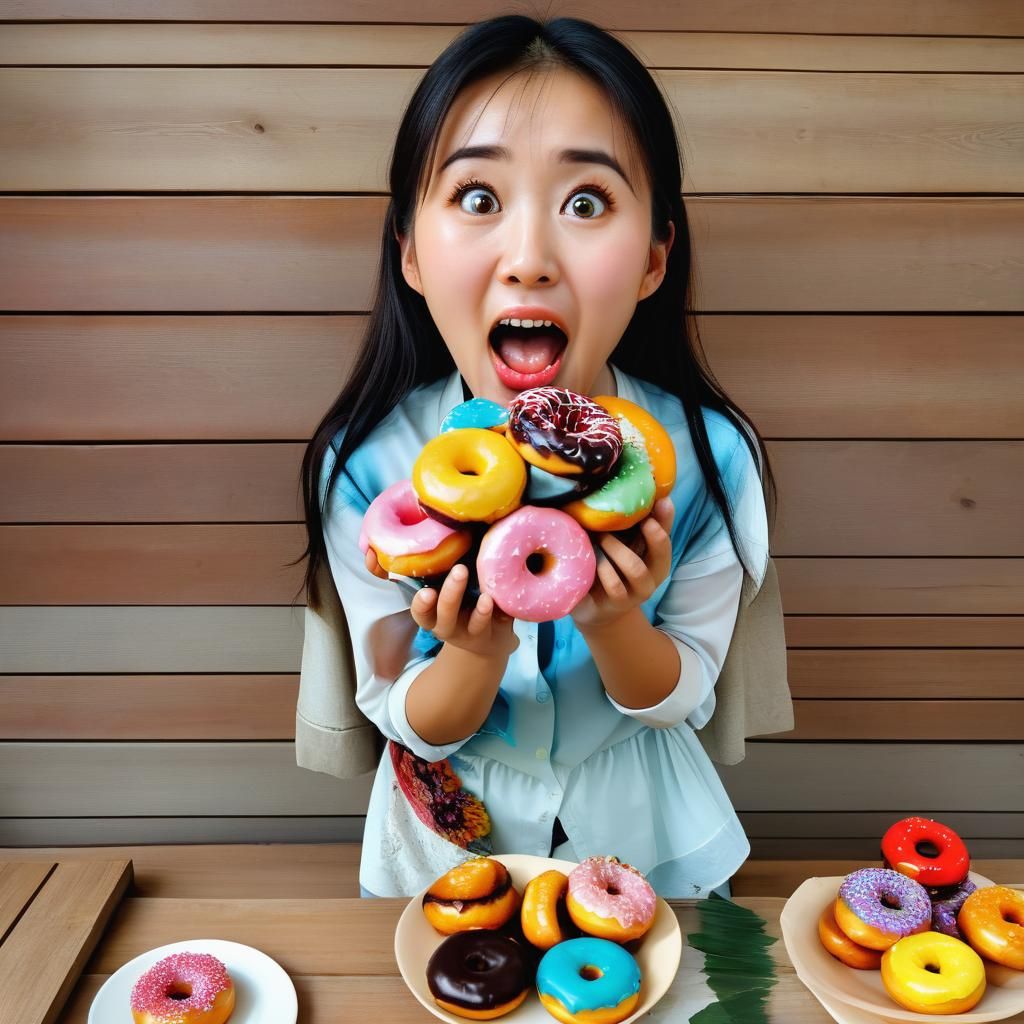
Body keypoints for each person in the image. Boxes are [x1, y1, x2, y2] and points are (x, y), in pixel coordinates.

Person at [295, 15, 779, 900]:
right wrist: (474, 657)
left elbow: (684, 698)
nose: (528, 260)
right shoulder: (366, 465)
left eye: (586, 202)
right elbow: (405, 714)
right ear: (408, 249)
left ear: (654, 257)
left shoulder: (707, 460)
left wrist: (615, 622)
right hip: (448, 854)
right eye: (478, 198)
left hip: (651, 839)